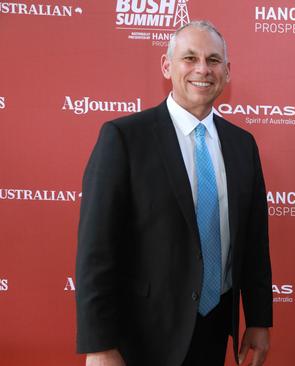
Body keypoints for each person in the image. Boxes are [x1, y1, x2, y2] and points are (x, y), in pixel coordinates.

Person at [75, 21, 272, 366]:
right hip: (140, 335)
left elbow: (254, 242)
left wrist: (257, 319)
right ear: (167, 66)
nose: (202, 69)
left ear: (227, 72)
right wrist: (99, 344)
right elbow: (96, 251)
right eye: (190, 58)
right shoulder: (124, 138)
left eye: (213, 60)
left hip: (214, 327)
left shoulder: (243, 145)